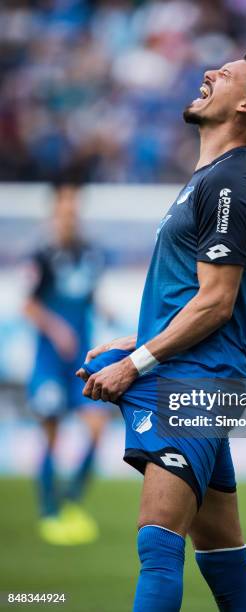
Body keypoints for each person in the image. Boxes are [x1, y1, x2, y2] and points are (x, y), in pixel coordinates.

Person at [76, 51, 246, 611]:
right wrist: (136, 339)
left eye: (226, 74)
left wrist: (135, 363)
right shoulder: (209, 180)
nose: (210, 73)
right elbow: (198, 296)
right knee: (223, 556)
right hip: (193, 373)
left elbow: (217, 303)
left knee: (158, 543)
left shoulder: (229, 185)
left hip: (195, 380)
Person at [25, 183, 108, 545]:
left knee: (96, 425)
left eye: (74, 209)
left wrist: (103, 308)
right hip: (49, 361)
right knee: (52, 432)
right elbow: (27, 305)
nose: (70, 215)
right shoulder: (41, 255)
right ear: (55, 213)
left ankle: (70, 501)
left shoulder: (90, 253)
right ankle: (49, 512)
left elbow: (87, 294)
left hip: (80, 359)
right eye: (64, 209)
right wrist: (56, 328)